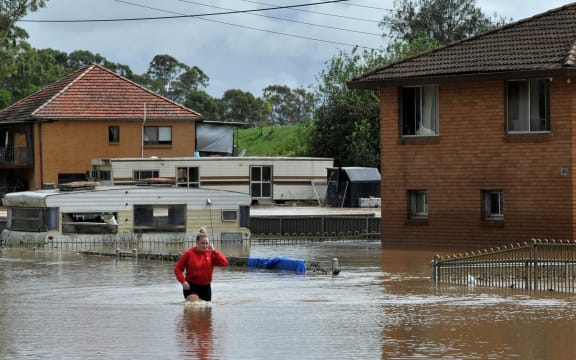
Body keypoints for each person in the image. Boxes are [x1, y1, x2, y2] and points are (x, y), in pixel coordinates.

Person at [174, 227, 228, 302]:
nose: (205, 246)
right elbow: (177, 269)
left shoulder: (211, 254)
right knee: (195, 306)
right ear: (197, 242)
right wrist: (183, 281)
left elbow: (225, 262)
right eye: (202, 243)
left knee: (206, 311)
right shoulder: (189, 253)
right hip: (191, 286)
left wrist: (215, 251)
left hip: (206, 287)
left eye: (206, 243)